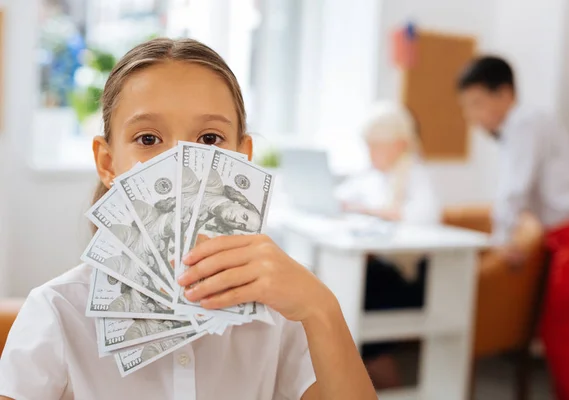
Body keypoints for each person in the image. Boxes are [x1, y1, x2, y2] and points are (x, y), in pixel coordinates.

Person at [0, 38, 377, 400]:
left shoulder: (281, 315)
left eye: (209, 139)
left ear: (241, 156)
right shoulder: (56, 311)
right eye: (148, 139)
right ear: (107, 162)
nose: (180, 166)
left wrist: (321, 309)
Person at [457, 55, 569, 400]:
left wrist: (501, 241)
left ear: (504, 93)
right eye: (467, 107)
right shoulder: (527, 125)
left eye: (478, 103)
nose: (473, 116)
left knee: (560, 335)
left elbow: (513, 191)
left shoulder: (524, 122)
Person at [337, 103, 441, 389]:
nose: (369, 154)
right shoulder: (370, 176)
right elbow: (340, 199)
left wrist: (372, 212)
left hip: (408, 278)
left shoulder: (415, 174)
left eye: (375, 146)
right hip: (378, 270)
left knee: (354, 304)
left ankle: (377, 386)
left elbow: (424, 218)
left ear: (399, 144)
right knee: (338, 291)